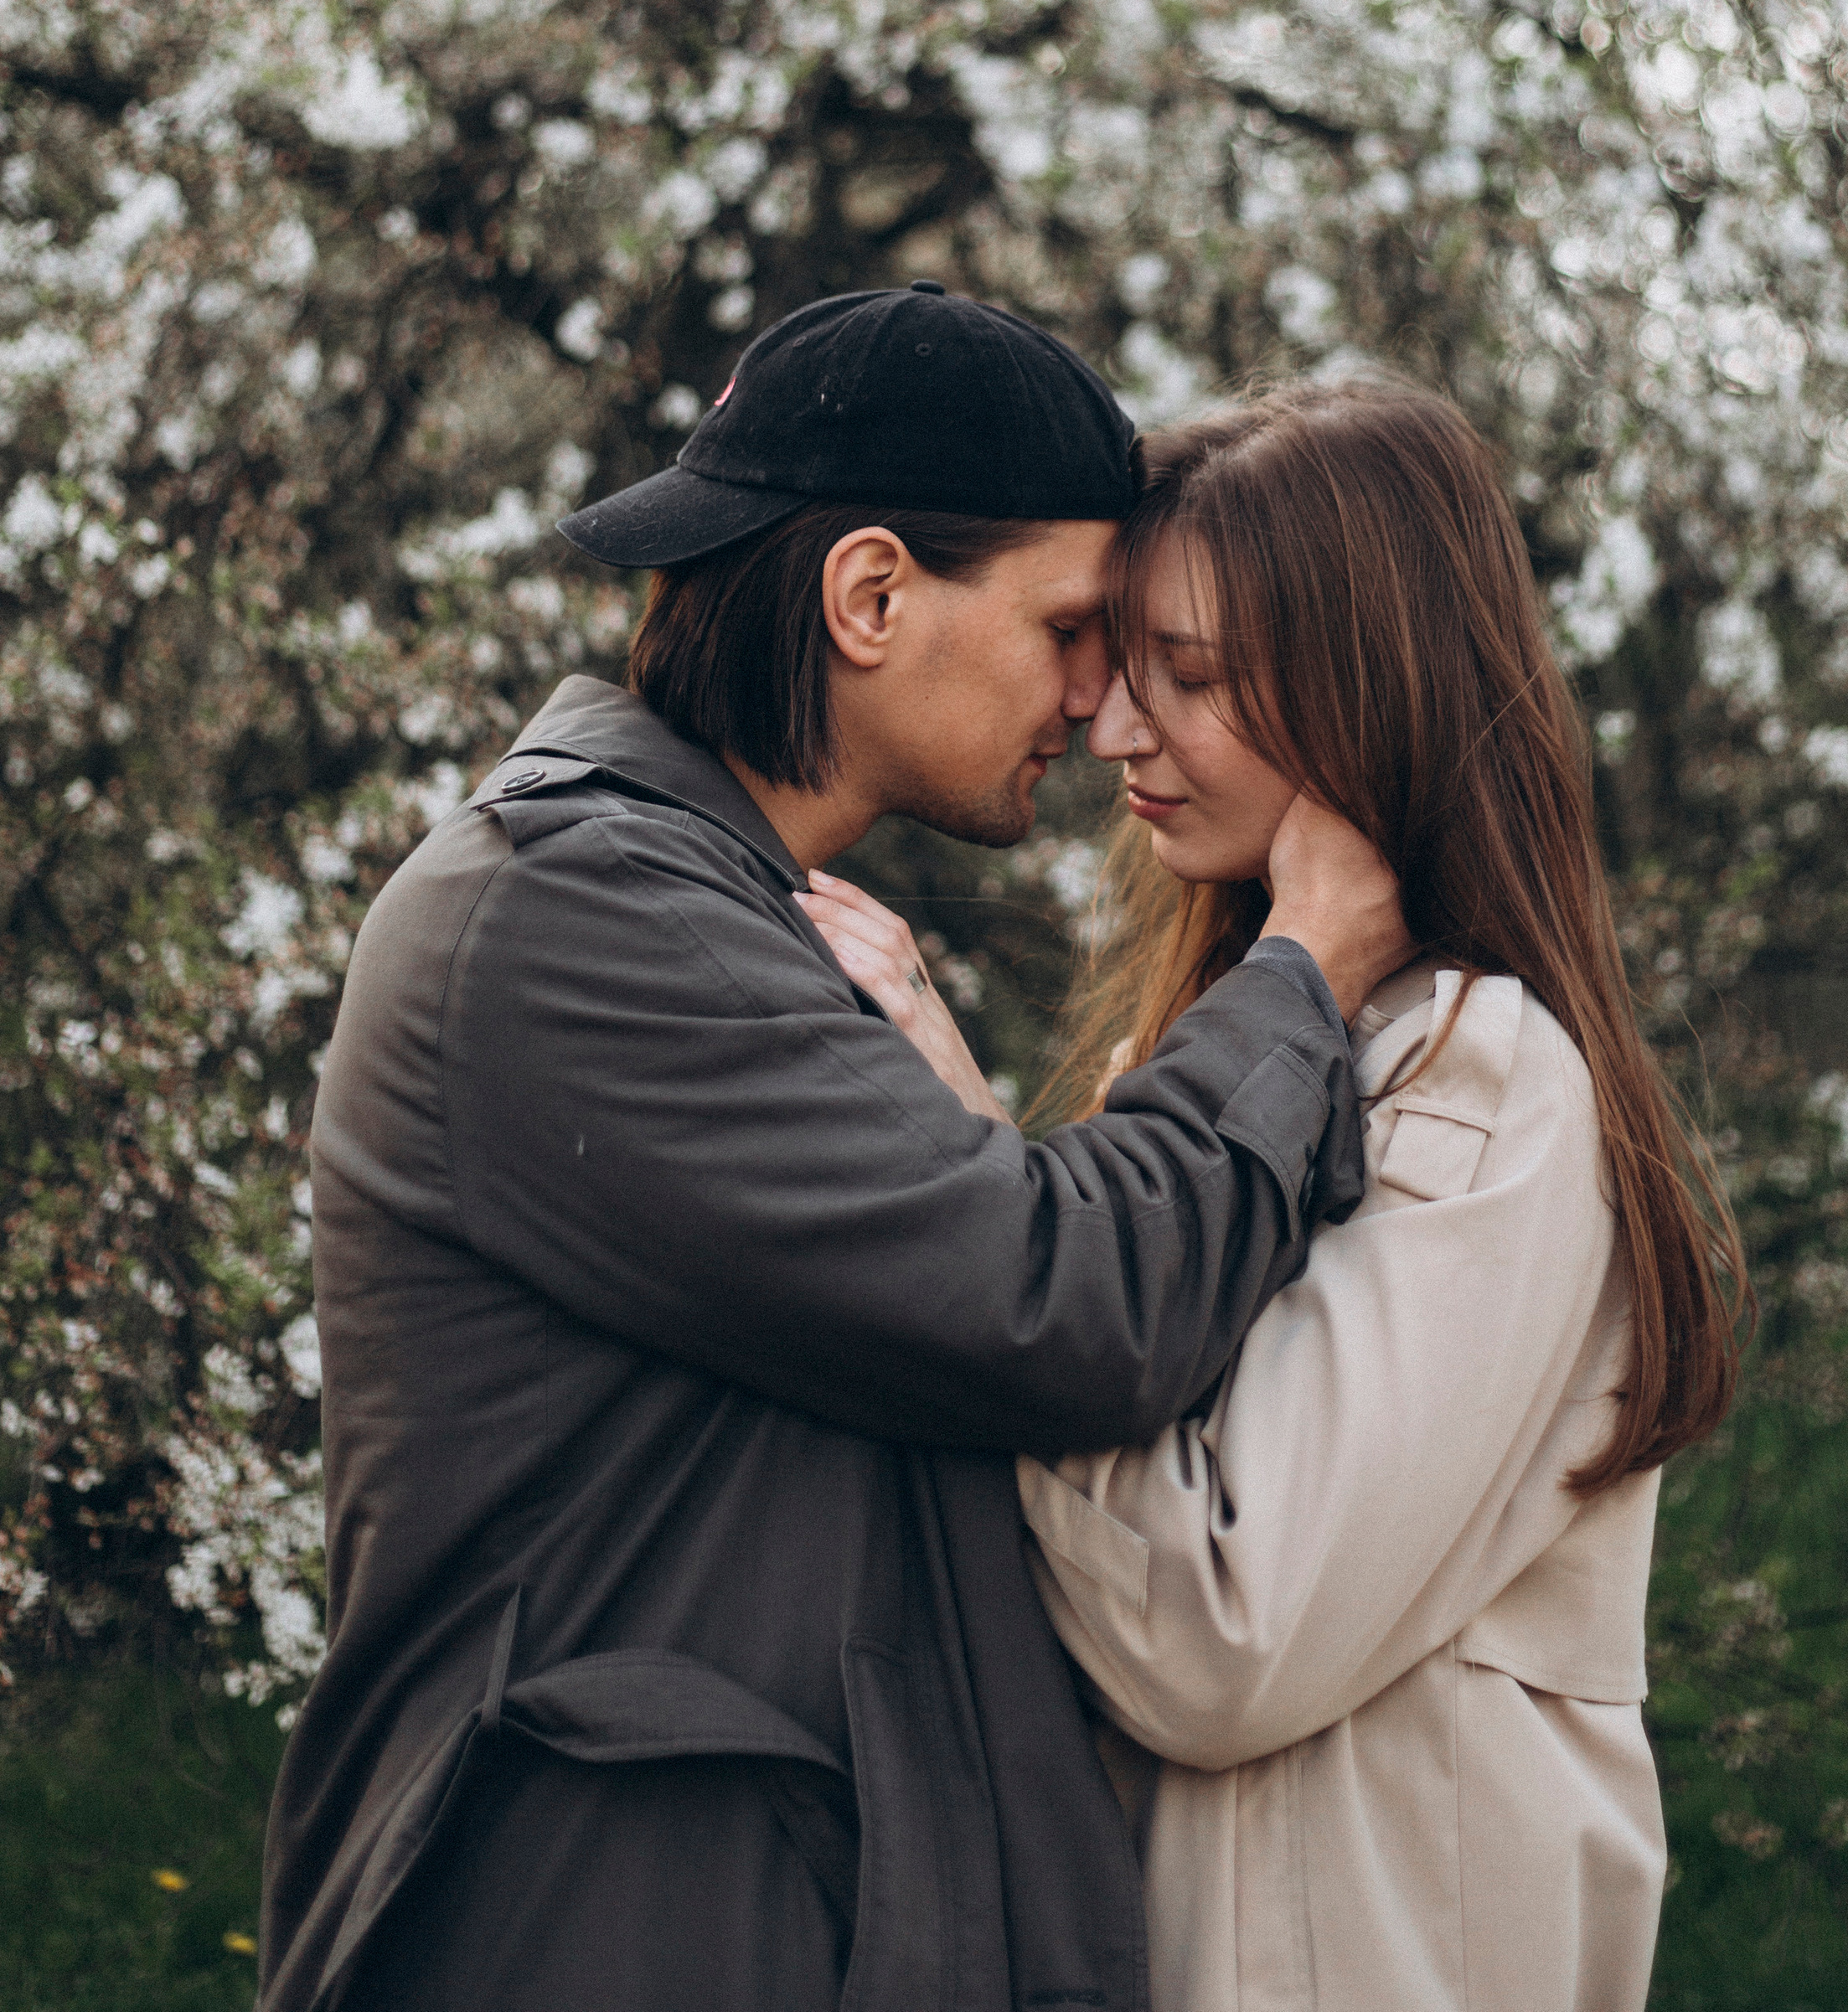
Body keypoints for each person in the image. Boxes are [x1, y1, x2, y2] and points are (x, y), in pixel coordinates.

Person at [256, 286, 1420, 2012]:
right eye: (1070, 628)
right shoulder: (574, 920)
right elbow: (1065, 1302)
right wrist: (1300, 975)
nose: (1101, 708)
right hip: (605, 1940)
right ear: (870, 594)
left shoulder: (707, 913)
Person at [823, 374, 1747, 2012]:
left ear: (1363, 694)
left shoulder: (1475, 1077)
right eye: (1113, 671)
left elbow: (1211, 1634)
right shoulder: (1276, 1052)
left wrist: (982, 1175)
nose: (1111, 730)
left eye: (1184, 677)